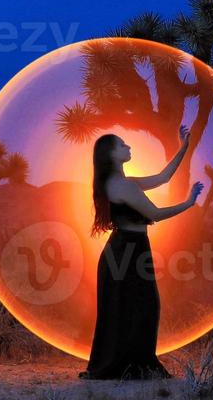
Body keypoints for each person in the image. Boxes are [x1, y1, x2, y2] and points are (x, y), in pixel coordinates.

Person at [80, 126, 203, 380]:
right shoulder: (122, 187)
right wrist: (188, 204)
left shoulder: (122, 183)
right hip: (126, 251)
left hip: (128, 249)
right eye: (122, 145)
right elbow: (155, 214)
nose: (128, 147)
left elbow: (162, 178)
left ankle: (124, 366)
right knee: (140, 307)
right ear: (111, 154)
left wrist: (184, 148)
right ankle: (130, 367)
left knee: (128, 308)